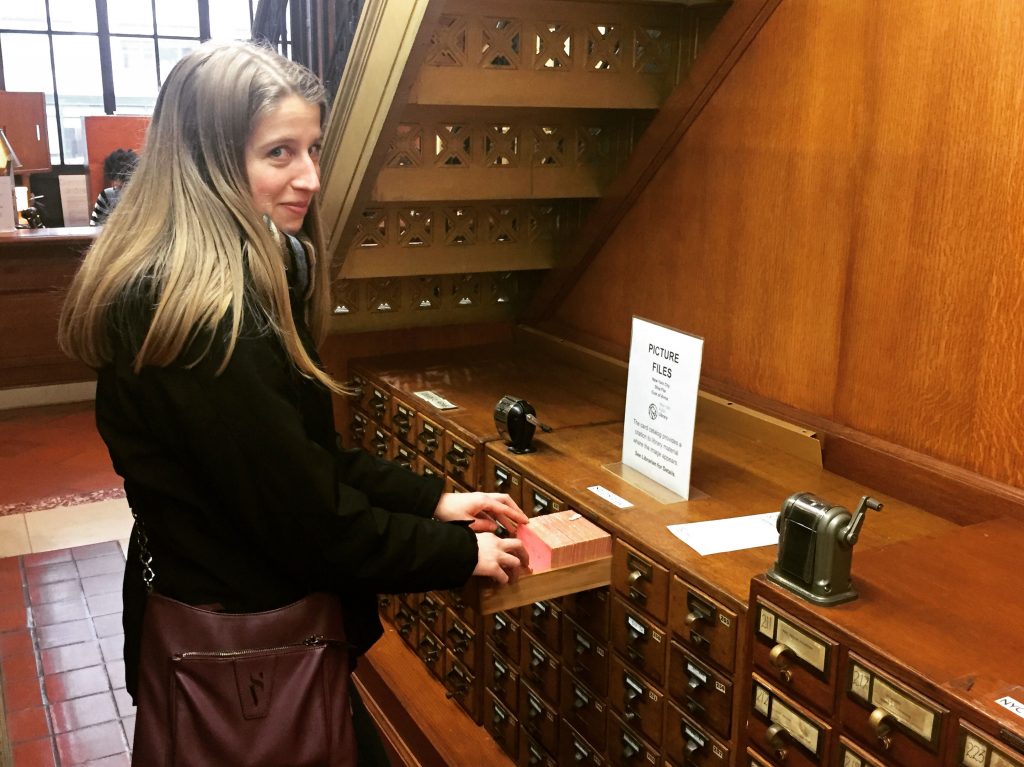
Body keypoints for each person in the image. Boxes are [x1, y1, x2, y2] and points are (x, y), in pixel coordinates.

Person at [58, 40, 530, 764]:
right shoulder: (208, 322)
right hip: (245, 644)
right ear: (208, 164)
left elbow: (297, 460)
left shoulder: (206, 282)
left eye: (311, 148)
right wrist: (454, 552)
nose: (309, 177)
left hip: (218, 609)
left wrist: (431, 498)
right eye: (279, 153)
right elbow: (310, 525)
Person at [89, 147, 138, 225]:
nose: (116, 183)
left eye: (123, 180)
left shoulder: (142, 197)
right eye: (114, 178)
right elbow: (94, 227)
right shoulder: (106, 195)